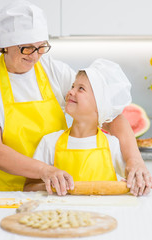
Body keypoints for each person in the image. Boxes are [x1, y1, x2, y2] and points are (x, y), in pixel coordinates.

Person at [0, 0, 151, 195]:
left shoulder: (52, 69)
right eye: (27, 48)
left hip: (54, 191)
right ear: (6, 46)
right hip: (5, 191)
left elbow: (105, 109)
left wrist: (135, 159)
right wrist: (45, 170)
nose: (35, 56)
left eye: (41, 47)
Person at [24, 59, 151, 196]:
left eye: (81, 89)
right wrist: (52, 186)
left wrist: (140, 181)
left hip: (104, 215)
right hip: (62, 214)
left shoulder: (112, 144)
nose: (71, 91)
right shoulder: (49, 142)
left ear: (100, 106)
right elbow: (28, 187)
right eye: (72, 86)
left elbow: (136, 181)